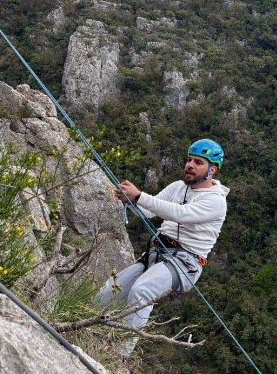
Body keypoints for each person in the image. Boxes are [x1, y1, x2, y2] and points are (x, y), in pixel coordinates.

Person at [94, 139, 229, 357]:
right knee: (107, 293)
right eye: (189, 160)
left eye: (198, 162)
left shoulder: (216, 201)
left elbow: (179, 215)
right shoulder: (178, 187)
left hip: (186, 262)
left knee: (142, 291)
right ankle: (87, 333)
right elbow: (148, 212)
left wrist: (139, 196)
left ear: (212, 170)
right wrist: (130, 201)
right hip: (157, 253)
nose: (190, 165)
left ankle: (120, 355)